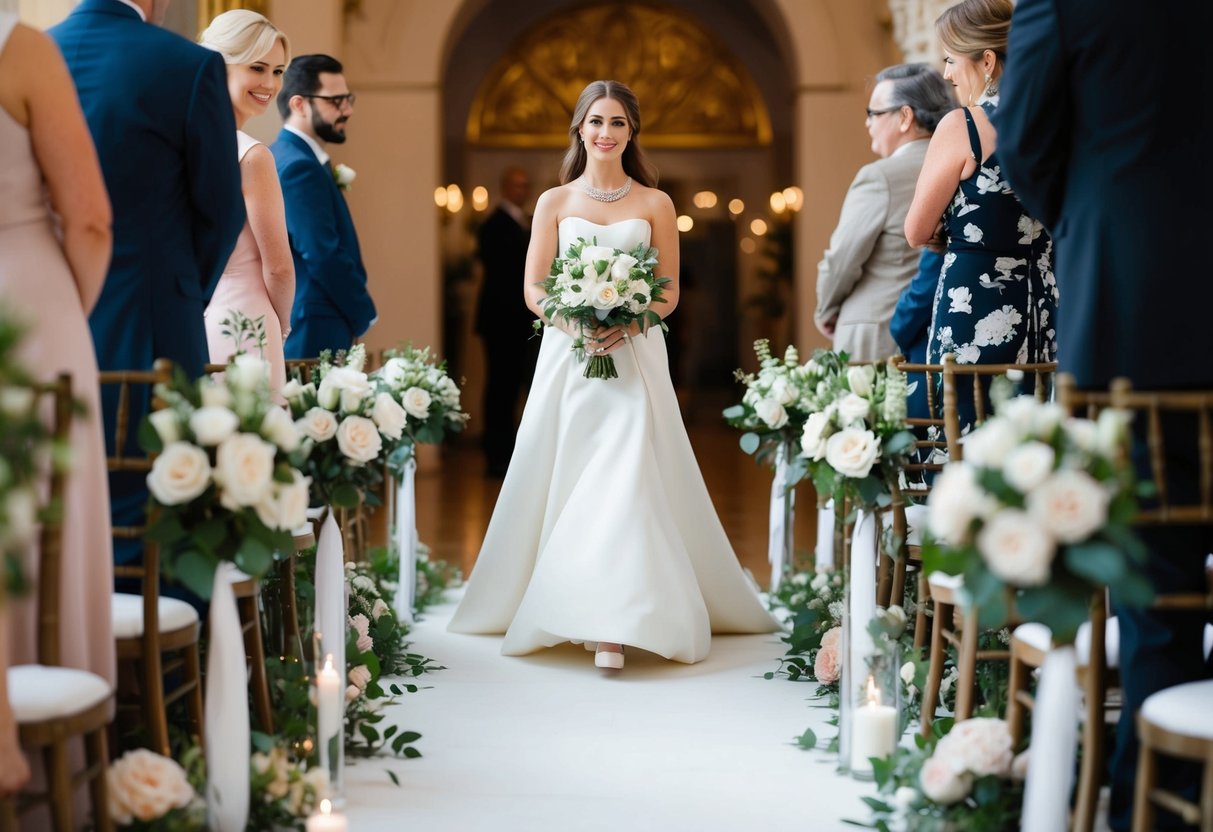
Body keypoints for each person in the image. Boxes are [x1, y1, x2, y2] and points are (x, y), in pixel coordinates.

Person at [447, 80, 778, 671]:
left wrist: (630, 323)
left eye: (618, 123)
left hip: (634, 355)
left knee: (627, 474)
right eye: (596, 121)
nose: (606, 132)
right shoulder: (553, 201)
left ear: (632, 132)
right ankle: (579, 604)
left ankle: (615, 626)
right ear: (579, 128)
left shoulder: (656, 204)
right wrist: (573, 323)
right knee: (576, 472)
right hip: (569, 357)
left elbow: (670, 290)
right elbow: (532, 286)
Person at [993, 2, 1213, 829]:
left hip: (1134, 307)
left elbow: (1026, 149)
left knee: (1153, 581)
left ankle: (1150, 811)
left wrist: (1099, 222)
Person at [50, 0, 245, 566]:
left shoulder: (33, 53)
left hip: (45, 314)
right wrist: (186, 291)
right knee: (155, 499)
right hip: (154, 317)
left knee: (58, 490)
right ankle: (164, 642)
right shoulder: (186, 64)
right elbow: (219, 211)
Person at [0, 6, 114, 805]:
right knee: (40, 517)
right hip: (27, 302)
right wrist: (65, 315)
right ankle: (48, 772)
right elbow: (90, 217)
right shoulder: (20, 49)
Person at [904, 0, 1058, 431]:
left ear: (986, 61)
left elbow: (916, 230)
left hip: (973, 302)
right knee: (1034, 430)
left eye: (951, 60)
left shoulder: (963, 127)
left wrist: (951, 228)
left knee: (966, 430)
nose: (948, 73)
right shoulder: (1056, 123)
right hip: (1042, 299)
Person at [814, 63, 955, 361]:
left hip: (875, 332)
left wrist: (825, 310)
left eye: (873, 114)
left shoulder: (880, 177)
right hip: (943, 327)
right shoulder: (961, 165)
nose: (867, 123)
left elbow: (842, 259)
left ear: (905, 117)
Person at [199, 10, 294, 393]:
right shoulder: (252, 156)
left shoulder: (185, 145)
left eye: (278, 71)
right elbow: (279, 270)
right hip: (249, 323)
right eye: (258, 67)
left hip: (200, 320)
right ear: (220, 66)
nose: (270, 84)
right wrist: (281, 324)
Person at [271, 54, 376, 359]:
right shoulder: (297, 166)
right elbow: (320, 252)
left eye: (348, 99)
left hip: (318, 319)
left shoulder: (294, 157)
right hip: (314, 324)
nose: (348, 110)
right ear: (299, 104)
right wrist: (363, 311)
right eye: (336, 101)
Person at [475, 165, 539, 478]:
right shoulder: (495, 225)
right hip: (503, 321)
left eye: (526, 185)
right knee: (501, 387)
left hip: (520, 322)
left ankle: (514, 451)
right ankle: (498, 454)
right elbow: (504, 275)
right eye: (516, 184)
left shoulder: (524, 222)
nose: (522, 190)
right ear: (505, 187)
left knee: (517, 386)